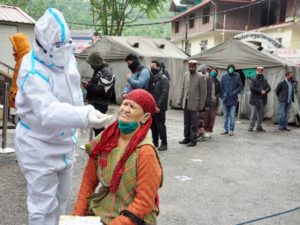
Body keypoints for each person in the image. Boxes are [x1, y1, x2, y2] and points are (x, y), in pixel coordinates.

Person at [14, 9, 112, 225]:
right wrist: (84, 115)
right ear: (43, 45)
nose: (63, 51)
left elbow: (74, 94)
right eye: (58, 47)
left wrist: (84, 115)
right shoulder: (31, 70)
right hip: (38, 146)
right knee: (42, 206)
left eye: (66, 45)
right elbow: (48, 111)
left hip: (64, 143)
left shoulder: (67, 60)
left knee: (60, 200)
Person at [72, 89, 163, 225]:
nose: (125, 109)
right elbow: (88, 182)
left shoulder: (146, 152)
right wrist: (77, 215)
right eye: (125, 104)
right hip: (102, 208)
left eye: (132, 107)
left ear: (145, 117)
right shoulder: (105, 139)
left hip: (133, 217)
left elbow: (144, 203)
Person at [83, 52, 115, 136]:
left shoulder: (106, 72)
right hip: (95, 102)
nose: (91, 66)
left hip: (100, 104)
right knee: (95, 126)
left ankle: (102, 145)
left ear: (95, 62)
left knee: (98, 127)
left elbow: (103, 90)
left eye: (91, 63)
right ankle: (96, 145)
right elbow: (97, 84)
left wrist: (88, 85)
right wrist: (89, 85)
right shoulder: (99, 70)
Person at [177, 60, 207, 147]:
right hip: (186, 102)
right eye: (190, 67)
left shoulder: (201, 77)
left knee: (194, 124)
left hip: (195, 104)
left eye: (192, 67)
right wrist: (180, 100)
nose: (191, 69)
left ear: (196, 67)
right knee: (186, 122)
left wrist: (201, 105)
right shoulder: (185, 75)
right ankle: (186, 138)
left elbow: (203, 92)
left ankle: (193, 140)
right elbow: (182, 88)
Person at [149, 60, 170, 151]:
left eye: (153, 67)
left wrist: (158, 106)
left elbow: (164, 94)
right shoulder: (152, 78)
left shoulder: (163, 78)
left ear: (158, 67)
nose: (152, 69)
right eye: (151, 67)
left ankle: (164, 143)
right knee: (153, 126)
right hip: (152, 106)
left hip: (160, 108)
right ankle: (155, 142)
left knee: (160, 125)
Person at [9, 33, 31, 109]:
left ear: (19, 46)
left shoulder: (24, 60)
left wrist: (15, 95)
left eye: (14, 46)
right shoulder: (21, 59)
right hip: (17, 97)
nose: (12, 48)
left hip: (20, 98)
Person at [220, 64, 243, 136]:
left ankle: (231, 130)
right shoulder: (223, 76)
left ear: (234, 69)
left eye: (232, 68)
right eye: (229, 68)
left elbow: (240, 87)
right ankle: (226, 129)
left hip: (233, 99)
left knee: (232, 115)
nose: (230, 70)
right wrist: (223, 95)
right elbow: (221, 88)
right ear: (227, 69)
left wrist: (234, 92)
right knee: (225, 115)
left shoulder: (237, 76)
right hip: (225, 99)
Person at [248, 67, 271, 132]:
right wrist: (260, 91)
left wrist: (265, 91)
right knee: (253, 114)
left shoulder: (265, 80)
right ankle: (251, 127)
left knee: (260, 114)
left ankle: (259, 126)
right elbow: (252, 88)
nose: (260, 71)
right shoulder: (253, 79)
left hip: (262, 99)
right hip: (255, 100)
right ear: (257, 71)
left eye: (262, 70)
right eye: (259, 70)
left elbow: (269, 88)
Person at [203, 68, 221, 138]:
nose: (213, 73)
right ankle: (204, 129)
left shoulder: (218, 82)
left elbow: (220, 92)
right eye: (212, 72)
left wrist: (216, 97)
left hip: (214, 102)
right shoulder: (207, 80)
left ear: (216, 74)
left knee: (212, 117)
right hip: (207, 101)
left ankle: (209, 130)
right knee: (206, 116)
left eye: (214, 72)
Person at [196, 64, 209, 142]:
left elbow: (207, 93)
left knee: (201, 120)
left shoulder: (206, 80)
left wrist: (205, 104)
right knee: (198, 120)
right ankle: (199, 134)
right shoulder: (203, 78)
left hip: (203, 104)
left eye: (200, 71)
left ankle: (202, 135)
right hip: (200, 102)